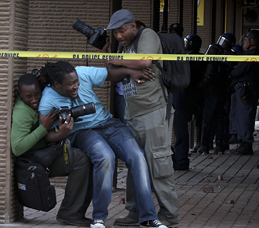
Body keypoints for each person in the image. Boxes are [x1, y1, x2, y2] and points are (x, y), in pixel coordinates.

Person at [38, 61, 166, 228]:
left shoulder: (81, 73)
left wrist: (129, 71)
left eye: (77, 81)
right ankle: (99, 218)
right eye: (70, 84)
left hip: (108, 123)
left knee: (137, 156)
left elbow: (110, 74)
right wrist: (61, 133)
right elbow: (44, 133)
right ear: (56, 84)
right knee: (105, 157)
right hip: (83, 132)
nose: (76, 85)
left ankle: (148, 217)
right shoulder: (48, 99)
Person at [100, 9, 179, 227]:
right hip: (132, 114)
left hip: (154, 111)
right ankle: (135, 211)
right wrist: (122, 63)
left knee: (158, 163)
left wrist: (119, 62)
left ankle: (169, 214)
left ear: (133, 25)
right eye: (115, 33)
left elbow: (144, 62)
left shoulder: (147, 36)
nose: (118, 36)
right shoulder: (124, 46)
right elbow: (111, 70)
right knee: (135, 164)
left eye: (122, 30)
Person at [10, 73, 93, 227]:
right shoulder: (22, 112)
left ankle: (74, 212)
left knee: (90, 156)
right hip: (34, 160)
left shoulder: (41, 98)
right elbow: (17, 148)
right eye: (28, 96)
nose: (34, 99)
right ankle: (69, 213)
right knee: (80, 160)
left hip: (46, 151)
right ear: (20, 95)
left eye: (37, 94)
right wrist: (44, 128)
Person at [229, 30, 259, 155]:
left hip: (246, 90)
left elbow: (238, 72)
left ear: (252, 41)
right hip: (246, 89)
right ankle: (243, 141)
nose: (244, 42)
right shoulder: (251, 54)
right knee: (241, 116)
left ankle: (246, 144)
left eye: (246, 40)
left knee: (245, 117)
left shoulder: (251, 54)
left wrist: (231, 71)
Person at [168, 23, 191, 170]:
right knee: (179, 126)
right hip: (179, 90)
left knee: (176, 126)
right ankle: (180, 159)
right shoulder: (183, 49)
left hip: (174, 90)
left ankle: (179, 159)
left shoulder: (167, 48)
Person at [184, 34, 204, 154]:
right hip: (199, 92)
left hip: (189, 91)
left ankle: (195, 144)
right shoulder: (202, 58)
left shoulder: (187, 58)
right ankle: (199, 143)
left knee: (186, 119)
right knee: (198, 120)